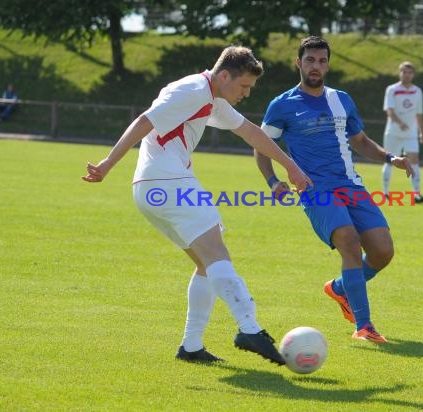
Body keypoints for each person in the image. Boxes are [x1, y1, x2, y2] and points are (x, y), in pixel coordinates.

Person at [82, 45, 312, 364]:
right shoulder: (192, 90)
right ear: (225, 75)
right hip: (167, 183)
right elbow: (144, 121)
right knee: (218, 255)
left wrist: (291, 166)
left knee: (206, 263)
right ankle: (249, 327)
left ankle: (191, 347)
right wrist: (108, 163)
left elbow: (250, 132)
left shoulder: (210, 97)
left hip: (154, 188)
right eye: (244, 86)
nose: (246, 93)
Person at [254, 36, 413, 344]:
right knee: (350, 242)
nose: (316, 66)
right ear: (298, 63)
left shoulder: (342, 99)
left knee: (382, 251)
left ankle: (340, 288)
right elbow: (262, 146)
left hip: (350, 184)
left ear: (328, 64)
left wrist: (390, 158)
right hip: (314, 188)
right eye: (310, 60)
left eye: (322, 61)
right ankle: (364, 326)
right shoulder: (282, 105)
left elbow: (361, 142)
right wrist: (273, 181)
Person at [382, 61, 423, 203]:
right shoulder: (392, 89)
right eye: (404, 72)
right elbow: (389, 110)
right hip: (393, 133)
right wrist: (400, 123)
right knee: (390, 161)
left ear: (413, 75)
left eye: (409, 72)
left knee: (414, 160)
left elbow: (419, 113)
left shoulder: (417, 91)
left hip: (410, 134)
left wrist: (421, 132)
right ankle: (385, 192)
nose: (406, 75)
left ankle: (416, 194)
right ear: (399, 73)